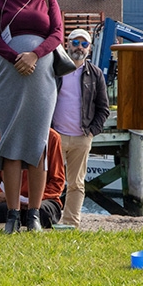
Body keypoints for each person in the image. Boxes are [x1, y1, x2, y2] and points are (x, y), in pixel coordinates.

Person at [0, 0, 64, 234]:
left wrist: (34, 55)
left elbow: (57, 33)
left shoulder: (48, 0)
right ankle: (11, 215)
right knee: (11, 144)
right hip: (10, 74)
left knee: (37, 144)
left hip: (41, 77)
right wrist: (14, 57)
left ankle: (33, 215)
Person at [51, 28, 110, 228]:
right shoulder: (54, 69)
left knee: (76, 183)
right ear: (67, 44)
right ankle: (46, 217)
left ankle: (70, 221)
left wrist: (92, 131)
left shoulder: (96, 74)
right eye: (75, 43)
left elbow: (103, 108)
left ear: (90, 48)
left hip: (82, 136)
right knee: (50, 179)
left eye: (84, 44)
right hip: (55, 135)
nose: (79, 48)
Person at [0, 128, 65, 230]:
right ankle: (18, 216)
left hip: (44, 199)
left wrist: (38, 199)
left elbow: (57, 181)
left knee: (43, 213)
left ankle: (29, 215)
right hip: (10, 199)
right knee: (2, 210)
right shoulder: (3, 135)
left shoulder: (52, 137)